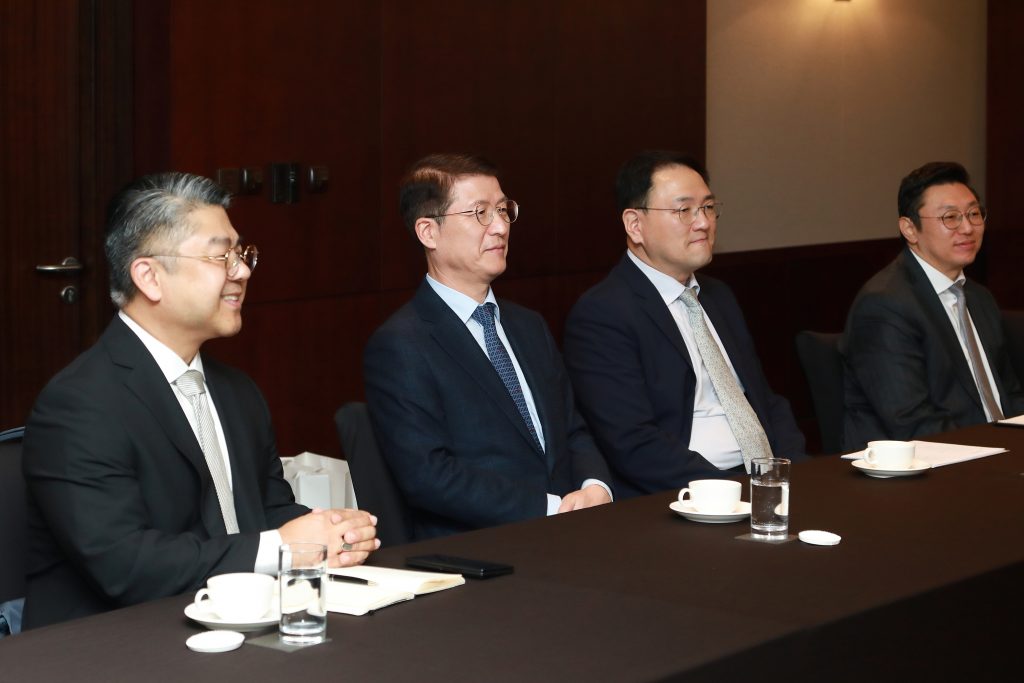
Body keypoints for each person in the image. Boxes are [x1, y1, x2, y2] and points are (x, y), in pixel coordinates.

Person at [22, 172, 379, 629]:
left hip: (242, 625)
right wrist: (283, 547)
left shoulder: (237, 392)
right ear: (149, 277)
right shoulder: (78, 404)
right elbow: (125, 566)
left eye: (242, 253)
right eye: (221, 256)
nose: (243, 271)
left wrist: (332, 534)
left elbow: (270, 512)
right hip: (113, 644)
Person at [363, 153, 612, 540]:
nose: (499, 227)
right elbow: (429, 476)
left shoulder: (528, 325)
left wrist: (596, 486)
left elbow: (573, 429)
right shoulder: (401, 344)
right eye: (480, 213)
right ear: (429, 232)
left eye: (503, 210)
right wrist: (549, 508)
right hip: (482, 547)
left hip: (573, 532)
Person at [563, 150, 805, 498]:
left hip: (761, 483)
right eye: (683, 210)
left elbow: (766, 402)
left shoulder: (718, 296)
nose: (704, 222)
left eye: (707, 207)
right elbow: (634, 444)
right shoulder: (603, 314)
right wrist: (737, 492)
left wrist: (793, 472)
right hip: (685, 496)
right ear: (635, 225)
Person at [841, 161, 1024, 449]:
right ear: (910, 229)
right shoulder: (884, 305)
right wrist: (1000, 453)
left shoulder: (978, 297)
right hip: (932, 467)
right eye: (950, 217)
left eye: (974, 214)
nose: (967, 228)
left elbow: (1010, 396)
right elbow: (913, 423)